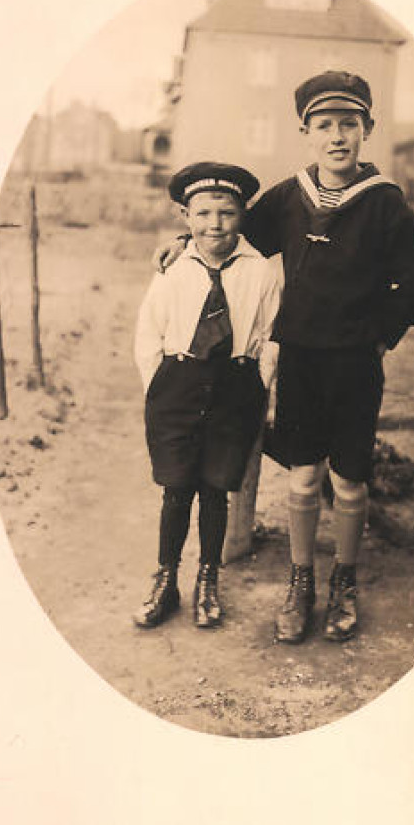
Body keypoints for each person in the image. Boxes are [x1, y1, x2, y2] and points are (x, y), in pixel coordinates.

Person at [155, 71, 414, 645]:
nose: (337, 137)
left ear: (368, 130)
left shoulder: (385, 204)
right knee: (303, 480)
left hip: (356, 365)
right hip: (301, 360)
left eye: (349, 125)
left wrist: (379, 336)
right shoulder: (288, 196)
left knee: (350, 482)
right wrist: (184, 243)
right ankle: (301, 580)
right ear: (305, 131)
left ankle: (344, 581)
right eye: (325, 125)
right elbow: (233, 235)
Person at [134, 161, 281, 631]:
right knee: (176, 489)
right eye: (203, 214)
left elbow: (271, 334)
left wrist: (258, 385)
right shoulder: (173, 269)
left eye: (226, 213)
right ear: (185, 215)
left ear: (242, 216)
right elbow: (149, 332)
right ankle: (165, 580)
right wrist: (159, 387)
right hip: (177, 385)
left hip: (235, 388)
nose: (214, 224)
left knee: (216, 490)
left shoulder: (261, 272)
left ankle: (208, 578)